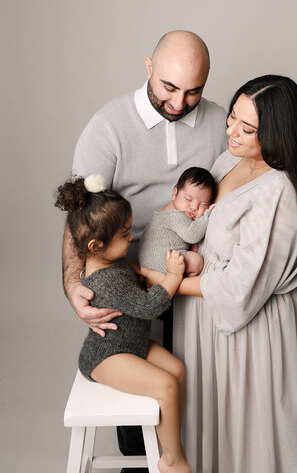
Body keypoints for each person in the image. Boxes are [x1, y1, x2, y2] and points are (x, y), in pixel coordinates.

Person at [141, 75, 297, 473]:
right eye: (232, 118)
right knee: (207, 422)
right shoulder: (230, 158)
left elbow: (238, 288)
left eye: (247, 129)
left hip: (253, 330)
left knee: (249, 433)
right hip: (202, 321)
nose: (231, 132)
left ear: (279, 134)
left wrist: (165, 281)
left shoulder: (282, 193)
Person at [61, 31, 227, 470]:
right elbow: (81, 215)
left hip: (191, 276)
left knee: (192, 380)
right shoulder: (109, 125)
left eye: (194, 91)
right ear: (149, 68)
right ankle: (150, 461)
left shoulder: (219, 124)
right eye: (169, 88)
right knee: (141, 385)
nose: (178, 103)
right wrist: (73, 282)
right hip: (129, 281)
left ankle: (194, 453)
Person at [56, 174, 191, 473]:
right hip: (108, 356)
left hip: (131, 344)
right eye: (125, 233)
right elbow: (149, 306)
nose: (131, 237)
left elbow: (127, 269)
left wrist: (138, 269)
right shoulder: (107, 280)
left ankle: (166, 438)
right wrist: (172, 275)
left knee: (178, 370)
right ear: (96, 244)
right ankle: (172, 459)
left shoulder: (107, 261)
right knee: (167, 384)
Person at [138, 167, 217, 276]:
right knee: (196, 261)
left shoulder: (172, 210)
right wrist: (206, 214)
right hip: (159, 263)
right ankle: (176, 282)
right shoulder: (174, 215)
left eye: (203, 204)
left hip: (150, 262)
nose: (194, 207)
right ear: (175, 193)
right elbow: (193, 235)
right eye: (188, 199)